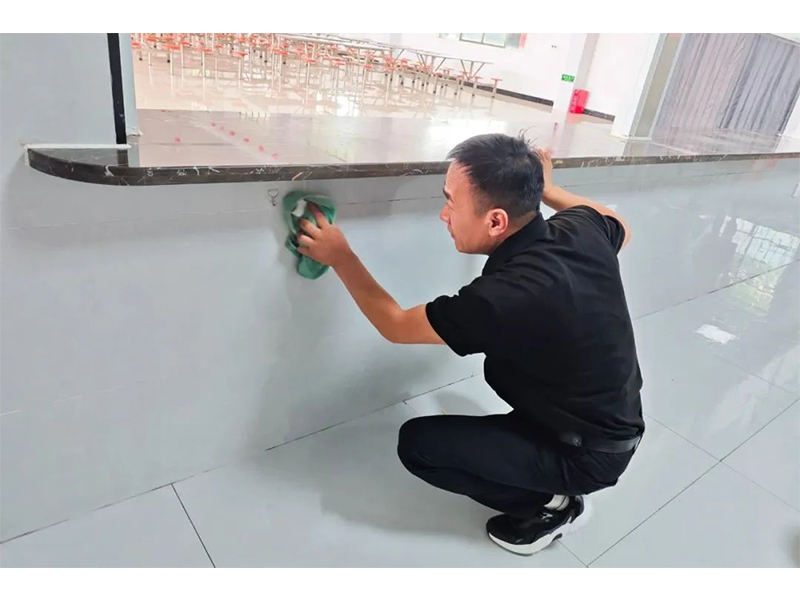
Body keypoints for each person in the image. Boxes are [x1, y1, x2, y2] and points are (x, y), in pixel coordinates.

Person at [295, 133, 644, 556]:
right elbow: (619, 225)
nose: (443, 215)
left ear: (496, 221)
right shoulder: (581, 229)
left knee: (420, 447)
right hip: (605, 422)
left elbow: (395, 325)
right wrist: (547, 189)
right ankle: (550, 479)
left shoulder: (505, 298)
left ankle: (551, 507)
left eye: (451, 203)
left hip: (585, 451)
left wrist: (341, 256)